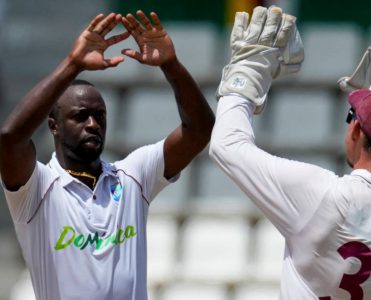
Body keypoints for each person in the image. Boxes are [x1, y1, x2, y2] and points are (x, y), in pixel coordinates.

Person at [209, 5, 371, 299]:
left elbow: (227, 146)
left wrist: (247, 70)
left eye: (353, 116)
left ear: (357, 131)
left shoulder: (325, 198)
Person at [0, 10, 214, 300]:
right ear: (55, 126)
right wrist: (73, 64)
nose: (93, 124)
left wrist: (171, 66)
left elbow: (199, 131)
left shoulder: (132, 177)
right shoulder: (36, 188)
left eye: (100, 116)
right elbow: (10, 139)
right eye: (81, 116)